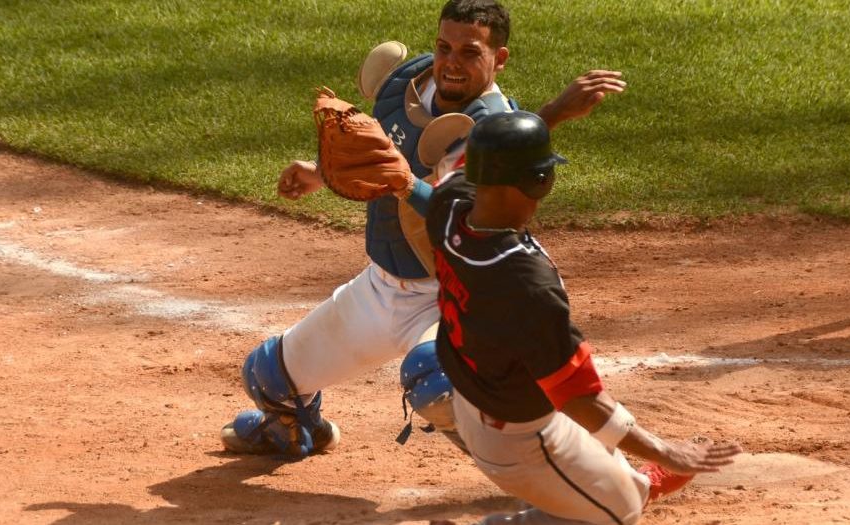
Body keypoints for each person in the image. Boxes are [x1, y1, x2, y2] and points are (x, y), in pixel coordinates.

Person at [220, 0, 627, 457]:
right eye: (443, 47)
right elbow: (381, 149)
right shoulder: (407, 82)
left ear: (500, 58)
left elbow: (459, 215)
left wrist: (404, 184)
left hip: (454, 294)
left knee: (432, 380)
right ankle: (294, 429)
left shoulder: (492, 127)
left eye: (470, 52)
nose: (452, 63)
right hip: (383, 286)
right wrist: (321, 171)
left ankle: (546, 465)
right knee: (266, 377)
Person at [421, 111, 742, 524]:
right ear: (541, 182)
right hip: (525, 440)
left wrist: (555, 110)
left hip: (477, 394)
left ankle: (632, 481)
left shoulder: (448, 207)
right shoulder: (527, 286)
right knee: (618, 514)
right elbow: (577, 398)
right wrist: (666, 451)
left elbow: (466, 163)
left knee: (611, 477)